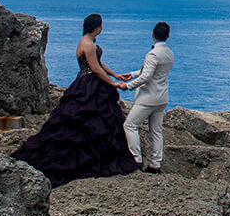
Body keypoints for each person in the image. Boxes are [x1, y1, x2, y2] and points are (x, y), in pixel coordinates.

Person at [11, 13, 139, 186]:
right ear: (97, 28)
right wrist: (114, 83)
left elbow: (99, 64)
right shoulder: (89, 45)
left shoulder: (85, 42)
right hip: (90, 84)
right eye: (101, 26)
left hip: (84, 82)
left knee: (83, 119)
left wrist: (114, 73)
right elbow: (95, 69)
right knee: (94, 120)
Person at [121, 21, 175, 174]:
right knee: (156, 131)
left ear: (153, 35)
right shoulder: (169, 53)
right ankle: (155, 163)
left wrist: (128, 85)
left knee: (130, 125)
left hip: (148, 98)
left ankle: (135, 158)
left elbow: (147, 75)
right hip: (162, 97)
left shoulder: (152, 54)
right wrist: (132, 74)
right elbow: (152, 70)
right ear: (168, 36)